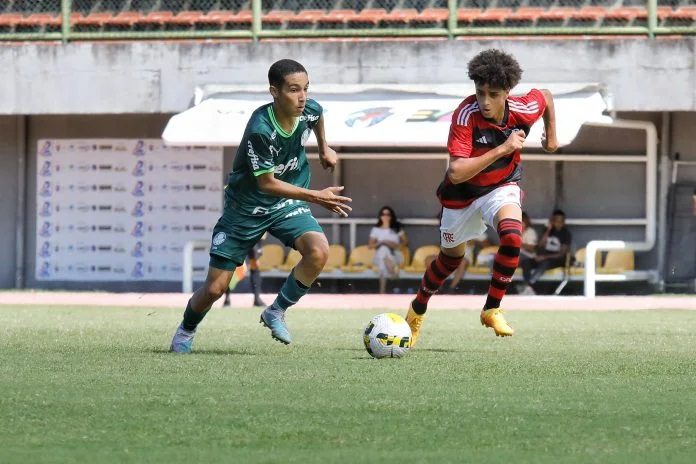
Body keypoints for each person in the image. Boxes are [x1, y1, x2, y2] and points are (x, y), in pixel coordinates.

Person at [170, 59, 352, 353]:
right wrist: (316, 196)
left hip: (286, 205)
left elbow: (316, 117)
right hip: (245, 210)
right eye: (294, 90)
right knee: (216, 289)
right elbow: (267, 183)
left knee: (318, 251)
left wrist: (323, 147)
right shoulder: (261, 129)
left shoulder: (309, 110)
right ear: (274, 91)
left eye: (306, 88)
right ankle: (185, 331)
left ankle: (276, 311)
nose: (302, 96)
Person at [404, 48, 558, 345]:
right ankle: (417, 308)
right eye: (480, 92)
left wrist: (551, 137)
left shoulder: (523, 108)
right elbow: (457, 172)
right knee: (449, 262)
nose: (485, 101)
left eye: (493, 94)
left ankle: (492, 308)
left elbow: (547, 96)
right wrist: (503, 149)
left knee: (513, 237)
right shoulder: (465, 115)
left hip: (501, 186)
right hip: (462, 194)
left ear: (508, 92)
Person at [519, 209, 571, 294]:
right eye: (556, 221)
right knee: (526, 262)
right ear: (552, 221)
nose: (558, 223)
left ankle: (529, 284)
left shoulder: (566, 234)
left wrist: (544, 257)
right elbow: (540, 245)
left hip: (557, 259)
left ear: (564, 222)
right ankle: (528, 286)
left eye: (560, 221)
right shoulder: (548, 231)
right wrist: (548, 229)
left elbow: (561, 254)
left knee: (546, 262)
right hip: (544, 258)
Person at [368, 206, 408, 294]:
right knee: (383, 250)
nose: (385, 216)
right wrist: (382, 242)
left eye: (388, 214)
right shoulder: (376, 229)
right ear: (380, 216)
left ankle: (382, 291)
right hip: (379, 256)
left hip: (396, 255)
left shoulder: (396, 228)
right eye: (383, 214)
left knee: (383, 259)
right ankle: (393, 273)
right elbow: (370, 246)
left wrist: (394, 245)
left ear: (391, 216)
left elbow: (405, 242)